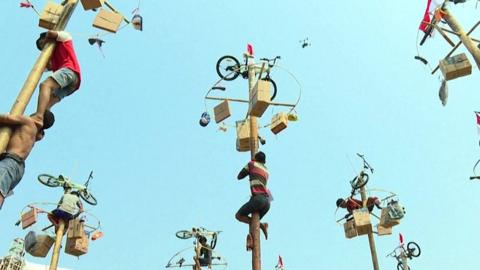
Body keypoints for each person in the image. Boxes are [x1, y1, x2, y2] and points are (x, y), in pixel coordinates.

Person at [0, 111, 54, 209]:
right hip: (18, 168)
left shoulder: (28, 122)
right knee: (2, 191)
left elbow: (5, 118)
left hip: (11, 162)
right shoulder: (36, 133)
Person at [35, 30, 81, 126]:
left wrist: (47, 38)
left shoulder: (65, 38)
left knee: (45, 85)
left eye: (42, 44)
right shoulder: (53, 56)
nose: (43, 47)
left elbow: (51, 33)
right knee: (47, 103)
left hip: (69, 71)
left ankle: (38, 116)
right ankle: (43, 121)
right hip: (72, 84)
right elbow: (48, 67)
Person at [236, 151, 271, 250]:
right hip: (267, 202)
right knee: (253, 222)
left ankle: (260, 225)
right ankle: (256, 233)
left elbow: (239, 176)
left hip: (258, 199)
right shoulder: (267, 170)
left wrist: (251, 162)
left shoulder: (252, 164)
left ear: (255, 158)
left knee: (239, 216)